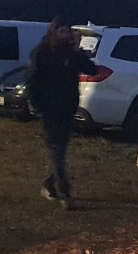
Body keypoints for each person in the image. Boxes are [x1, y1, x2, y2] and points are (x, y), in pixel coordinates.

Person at [25, 18, 96, 210]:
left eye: (68, 32)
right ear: (54, 32)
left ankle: (49, 184)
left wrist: (80, 54)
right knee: (57, 149)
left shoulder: (71, 54)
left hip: (67, 107)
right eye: (62, 32)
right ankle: (65, 193)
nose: (66, 35)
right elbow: (31, 79)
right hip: (49, 108)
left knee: (60, 150)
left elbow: (91, 69)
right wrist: (36, 104)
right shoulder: (42, 52)